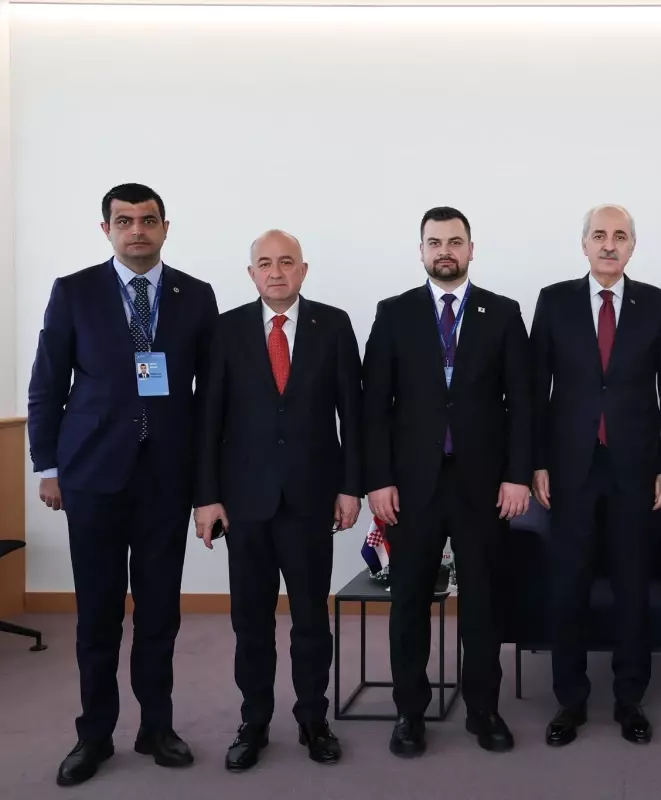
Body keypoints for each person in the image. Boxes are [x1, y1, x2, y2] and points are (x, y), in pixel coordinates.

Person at [27, 183, 219, 786]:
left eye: (148, 220)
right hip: (91, 476)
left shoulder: (196, 295)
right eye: (125, 221)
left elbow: (211, 398)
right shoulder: (74, 291)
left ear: (165, 228)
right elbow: (47, 383)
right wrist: (47, 467)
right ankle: (95, 735)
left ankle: (156, 728)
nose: (137, 230)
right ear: (106, 229)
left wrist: (208, 484)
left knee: (159, 613)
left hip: (166, 479)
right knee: (98, 615)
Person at [363, 207, 531, 757]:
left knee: (483, 601)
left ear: (471, 249)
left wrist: (517, 475)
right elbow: (374, 406)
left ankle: (483, 710)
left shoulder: (502, 313)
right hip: (412, 486)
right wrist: (378, 480)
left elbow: (522, 403)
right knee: (410, 601)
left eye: (455, 242)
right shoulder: (394, 313)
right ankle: (409, 714)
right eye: (434, 242)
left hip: (483, 484)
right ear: (421, 251)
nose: (445, 251)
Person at [193, 230, 363, 771]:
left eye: (286, 262)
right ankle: (254, 722)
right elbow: (208, 419)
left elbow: (353, 414)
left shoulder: (333, 325)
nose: (275, 271)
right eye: (264, 263)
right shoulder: (226, 330)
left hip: (311, 499)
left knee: (311, 618)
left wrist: (350, 486)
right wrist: (206, 498)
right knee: (251, 621)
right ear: (251, 274)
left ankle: (314, 719)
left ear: (303, 270)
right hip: (244, 502)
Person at [531, 204, 661, 747]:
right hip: (569, 468)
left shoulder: (658, 305)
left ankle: (629, 699)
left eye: (620, 236)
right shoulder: (554, 301)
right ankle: (569, 701)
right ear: (585, 244)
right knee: (568, 585)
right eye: (600, 235)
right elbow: (534, 390)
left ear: (632, 246)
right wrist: (537, 462)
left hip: (635, 470)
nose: (609, 244)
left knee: (631, 585)